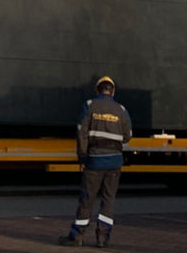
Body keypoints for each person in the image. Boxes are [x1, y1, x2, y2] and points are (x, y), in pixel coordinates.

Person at [59, 76, 131, 247]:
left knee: (87, 199)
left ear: (97, 90)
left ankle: (77, 236)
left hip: (94, 161)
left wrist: (82, 157)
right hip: (114, 162)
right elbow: (128, 135)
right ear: (112, 91)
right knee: (108, 200)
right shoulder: (121, 110)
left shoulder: (90, 106)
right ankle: (102, 239)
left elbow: (81, 133)